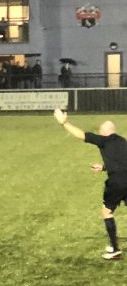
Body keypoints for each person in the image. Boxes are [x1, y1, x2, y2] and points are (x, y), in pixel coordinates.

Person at [54, 109, 127, 260]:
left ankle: (114, 250)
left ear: (104, 132)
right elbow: (121, 161)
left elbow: (81, 135)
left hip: (117, 181)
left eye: (100, 130)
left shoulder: (103, 140)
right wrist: (104, 167)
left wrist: (64, 123)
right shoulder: (123, 141)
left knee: (106, 212)